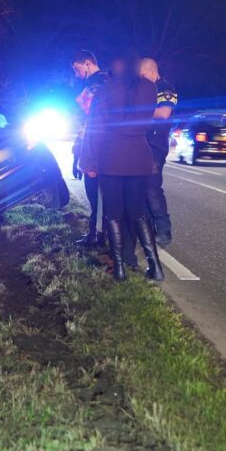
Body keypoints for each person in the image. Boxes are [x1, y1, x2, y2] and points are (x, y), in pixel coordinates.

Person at [80, 53, 165, 282]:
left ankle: (119, 269)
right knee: (139, 213)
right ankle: (155, 267)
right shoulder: (148, 89)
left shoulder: (105, 92)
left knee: (114, 214)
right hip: (139, 156)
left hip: (112, 158)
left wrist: (88, 162)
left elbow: (94, 129)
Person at [140, 58, 178, 246]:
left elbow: (164, 113)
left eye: (144, 75)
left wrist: (139, 110)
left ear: (153, 72)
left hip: (155, 146)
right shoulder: (144, 89)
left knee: (152, 187)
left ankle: (164, 230)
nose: (141, 79)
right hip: (140, 144)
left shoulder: (165, 88)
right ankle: (148, 231)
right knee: (140, 188)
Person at [70, 50, 106, 246]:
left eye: (77, 69)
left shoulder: (99, 83)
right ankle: (95, 233)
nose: (76, 75)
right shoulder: (98, 83)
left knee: (97, 195)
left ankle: (99, 236)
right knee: (94, 195)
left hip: (97, 149)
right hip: (92, 147)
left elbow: (91, 121)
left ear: (87, 64)